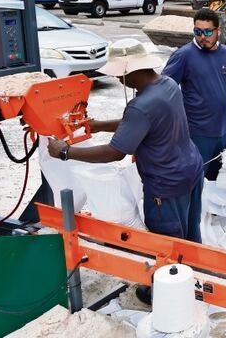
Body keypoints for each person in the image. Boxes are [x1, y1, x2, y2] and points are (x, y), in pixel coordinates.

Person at [46, 38, 204, 243]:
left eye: (120, 74)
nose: (119, 79)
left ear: (131, 70)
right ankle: (195, 272)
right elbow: (140, 123)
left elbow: (114, 152)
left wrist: (65, 151)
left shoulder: (141, 105)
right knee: (191, 237)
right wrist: (100, 125)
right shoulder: (168, 84)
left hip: (167, 186)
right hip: (191, 171)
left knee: (169, 247)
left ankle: (178, 273)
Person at [161, 8, 226, 181]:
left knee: (219, 181)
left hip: (223, 131)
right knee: (194, 181)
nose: (202, 36)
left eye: (208, 32)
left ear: (219, 30)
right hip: (196, 133)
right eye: (197, 32)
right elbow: (163, 87)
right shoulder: (184, 56)